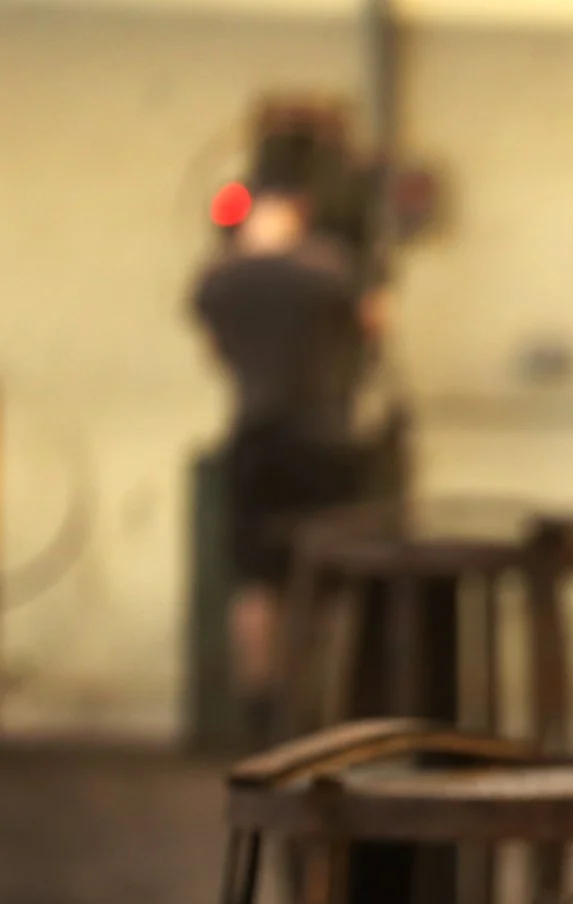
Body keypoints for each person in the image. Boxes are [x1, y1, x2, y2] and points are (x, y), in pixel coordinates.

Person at [192, 161, 372, 739]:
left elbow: (215, 349)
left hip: (257, 437)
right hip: (326, 439)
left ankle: (261, 711)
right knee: (328, 582)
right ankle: (319, 706)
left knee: (257, 583)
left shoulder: (220, 280)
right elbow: (373, 326)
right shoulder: (331, 271)